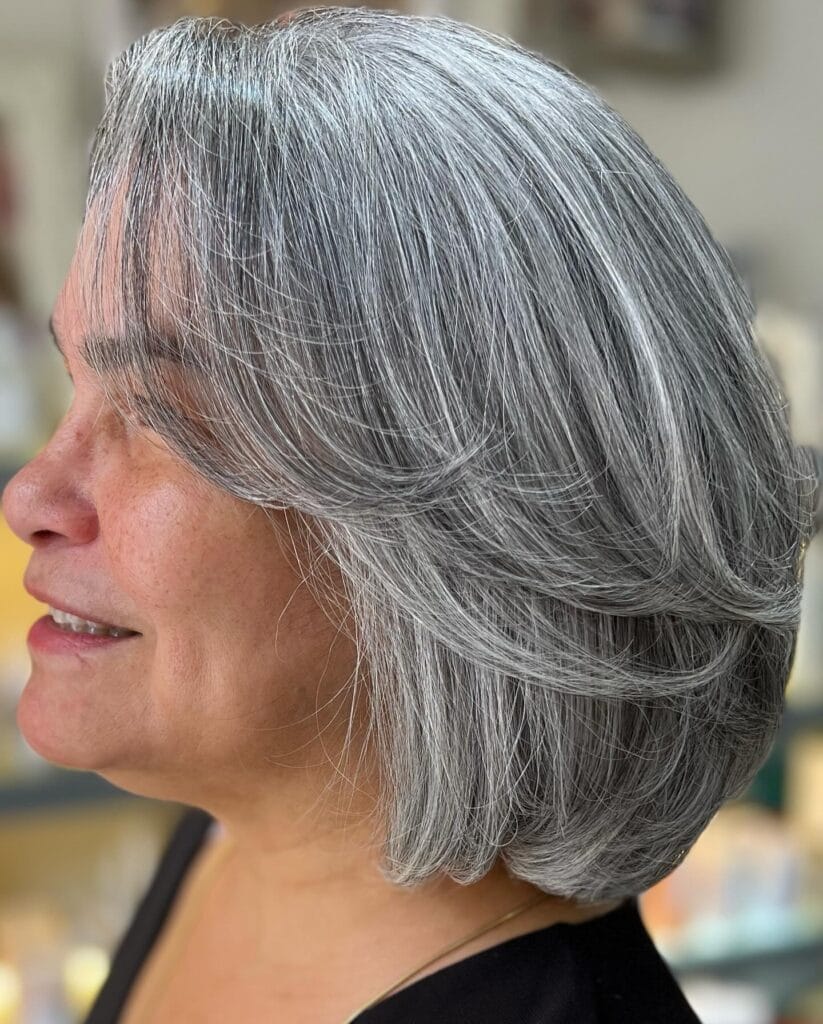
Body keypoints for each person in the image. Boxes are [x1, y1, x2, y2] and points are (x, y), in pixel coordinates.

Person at [1, 7, 814, 1022]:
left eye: (159, 413)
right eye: (76, 381)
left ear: (461, 532)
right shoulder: (236, 839)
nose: (29, 496)